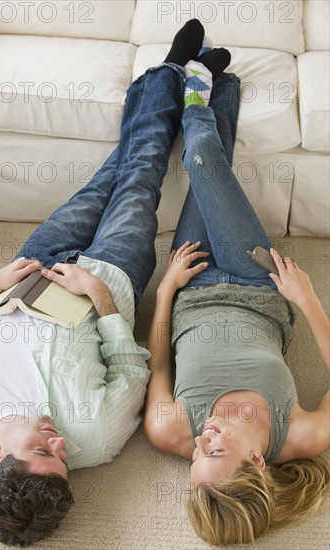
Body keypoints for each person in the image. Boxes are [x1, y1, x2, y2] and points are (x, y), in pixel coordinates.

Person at [0, 20, 232, 547]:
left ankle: (178, 73)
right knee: (142, 170)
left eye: (42, 451)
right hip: (108, 273)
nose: (59, 444)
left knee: (110, 172)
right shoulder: (96, 437)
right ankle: (179, 73)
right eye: (61, 459)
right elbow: (133, 367)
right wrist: (98, 296)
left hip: (27, 268)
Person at [144, 41, 330, 545]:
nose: (201, 440)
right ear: (255, 459)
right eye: (214, 451)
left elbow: (158, 364)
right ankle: (202, 84)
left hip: (195, 278)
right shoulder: (301, 436)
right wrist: (306, 298)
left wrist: (166, 290)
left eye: (195, 457)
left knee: (208, 166)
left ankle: (211, 81)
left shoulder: (171, 432)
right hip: (259, 282)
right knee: (203, 157)